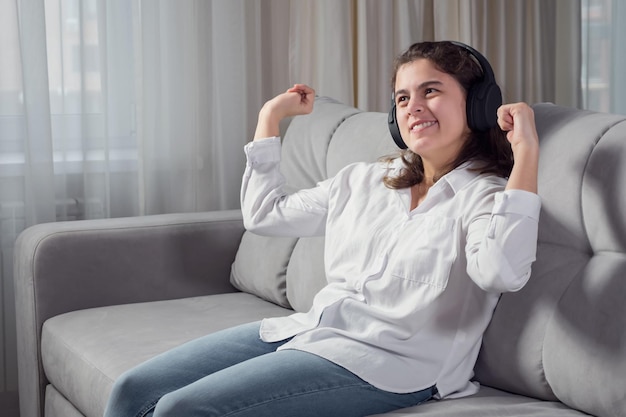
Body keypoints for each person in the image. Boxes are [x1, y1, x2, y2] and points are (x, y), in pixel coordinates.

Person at [104, 40, 541, 417]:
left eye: (431, 91)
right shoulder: (365, 180)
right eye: (403, 98)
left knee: (185, 410)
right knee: (132, 391)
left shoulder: (487, 197)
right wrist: (270, 118)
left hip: (391, 365)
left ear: (478, 103)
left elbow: (500, 272)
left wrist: (526, 155)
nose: (415, 107)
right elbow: (265, 215)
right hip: (314, 330)